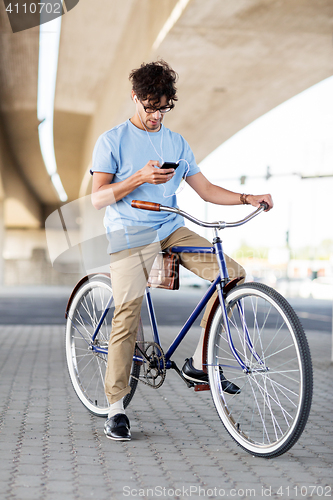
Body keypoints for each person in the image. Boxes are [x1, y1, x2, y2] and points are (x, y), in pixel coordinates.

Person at [91, 60, 273, 441]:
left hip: (171, 227)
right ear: (135, 98)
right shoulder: (112, 140)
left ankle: (201, 360)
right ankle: (115, 405)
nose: (156, 115)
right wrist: (138, 177)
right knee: (127, 310)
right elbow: (98, 199)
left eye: (163, 108)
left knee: (231, 273)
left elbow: (205, 190)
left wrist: (246, 198)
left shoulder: (176, 142)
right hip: (129, 232)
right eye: (149, 107)